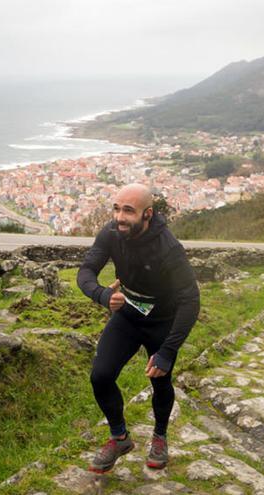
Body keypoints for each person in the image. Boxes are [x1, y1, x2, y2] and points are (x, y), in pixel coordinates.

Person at [77, 183, 200, 474]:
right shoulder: (111, 233)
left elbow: (190, 299)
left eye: (128, 211)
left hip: (163, 321)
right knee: (101, 376)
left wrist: (168, 351)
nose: (119, 217)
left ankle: (159, 436)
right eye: (116, 209)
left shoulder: (168, 247)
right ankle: (120, 439)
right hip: (129, 315)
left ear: (148, 214)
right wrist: (103, 295)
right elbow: (85, 271)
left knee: (160, 380)